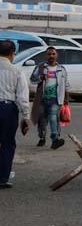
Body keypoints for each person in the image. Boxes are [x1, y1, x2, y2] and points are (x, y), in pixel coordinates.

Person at [0, 40, 31, 189]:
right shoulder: (17, 71)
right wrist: (26, 117)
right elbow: (22, 97)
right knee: (7, 144)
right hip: (7, 109)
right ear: (13, 54)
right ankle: (2, 178)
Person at [30, 47, 69, 150]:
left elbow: (66, 84)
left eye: (53, 54)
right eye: (49, 54)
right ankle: (42, 137)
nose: (51, 56)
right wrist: (39, 78)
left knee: (53, 117)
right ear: (46, 55)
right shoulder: (41, 67)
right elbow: (32, 79)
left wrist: (66, 98)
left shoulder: (61, 69)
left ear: (56, 55)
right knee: (41, 120)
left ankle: (55, 139)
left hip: (55, 99)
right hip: (42, 99)